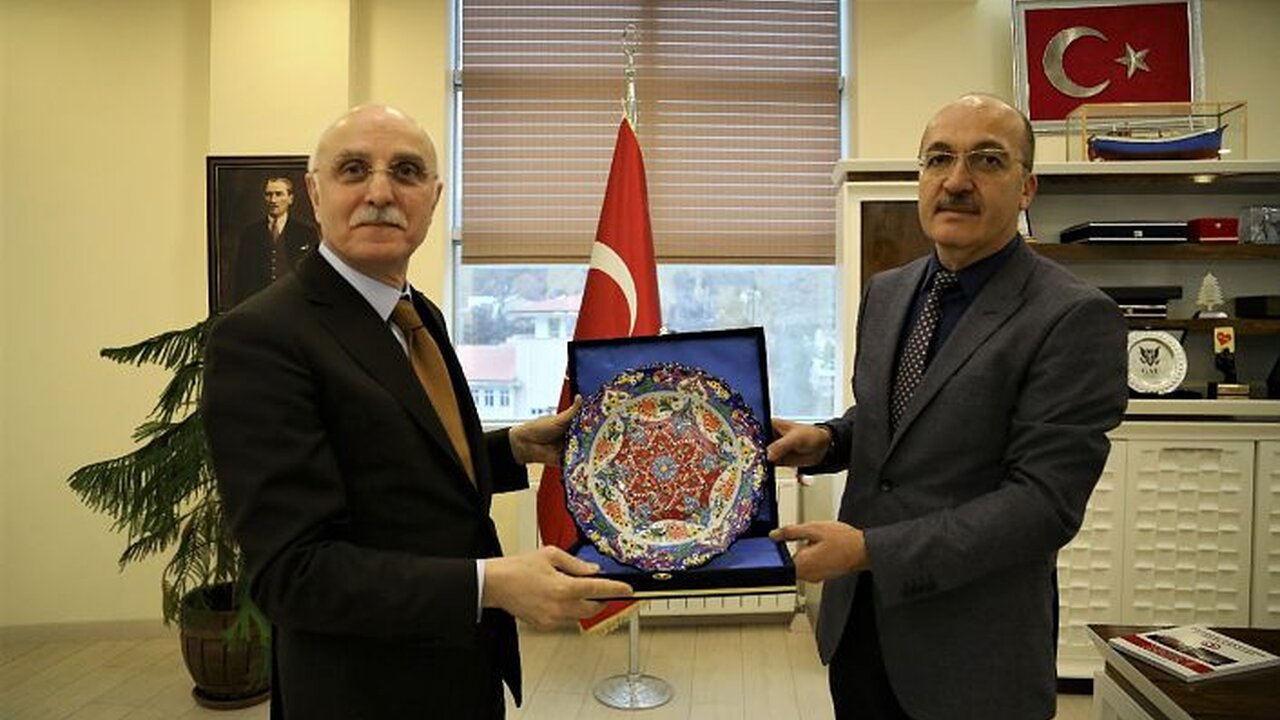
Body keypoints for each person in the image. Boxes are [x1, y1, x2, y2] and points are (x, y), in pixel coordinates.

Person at [202, 104, 632, 719]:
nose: (380, 192)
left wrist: (512, 448)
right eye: (354, 169)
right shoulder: (261, 337)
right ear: (315, 194)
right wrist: (491, 584)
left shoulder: (417, 313)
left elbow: (400, 467)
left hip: (462, 670)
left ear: (433, 199)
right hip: (362, 692)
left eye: (405, 172)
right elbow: (293, 573)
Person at [768, 94, 1128, 720]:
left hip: (973, 657)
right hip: (861, 632)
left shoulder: (1073, 317)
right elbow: (895, 420)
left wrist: (871, 550)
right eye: (939, 159)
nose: (956, 181)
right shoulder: (888, 291)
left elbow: (1043, 505)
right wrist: (828, 440)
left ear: (1027, 187)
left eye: (987, 160)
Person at [229, 176, 319, 306]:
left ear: (290, 198)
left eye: (279, 194)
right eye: (269, 194)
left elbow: (313, 277)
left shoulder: (306, 233)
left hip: (295, 305)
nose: (273, 200)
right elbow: (241, 280)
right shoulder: (250, 234)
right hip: (259, 306)